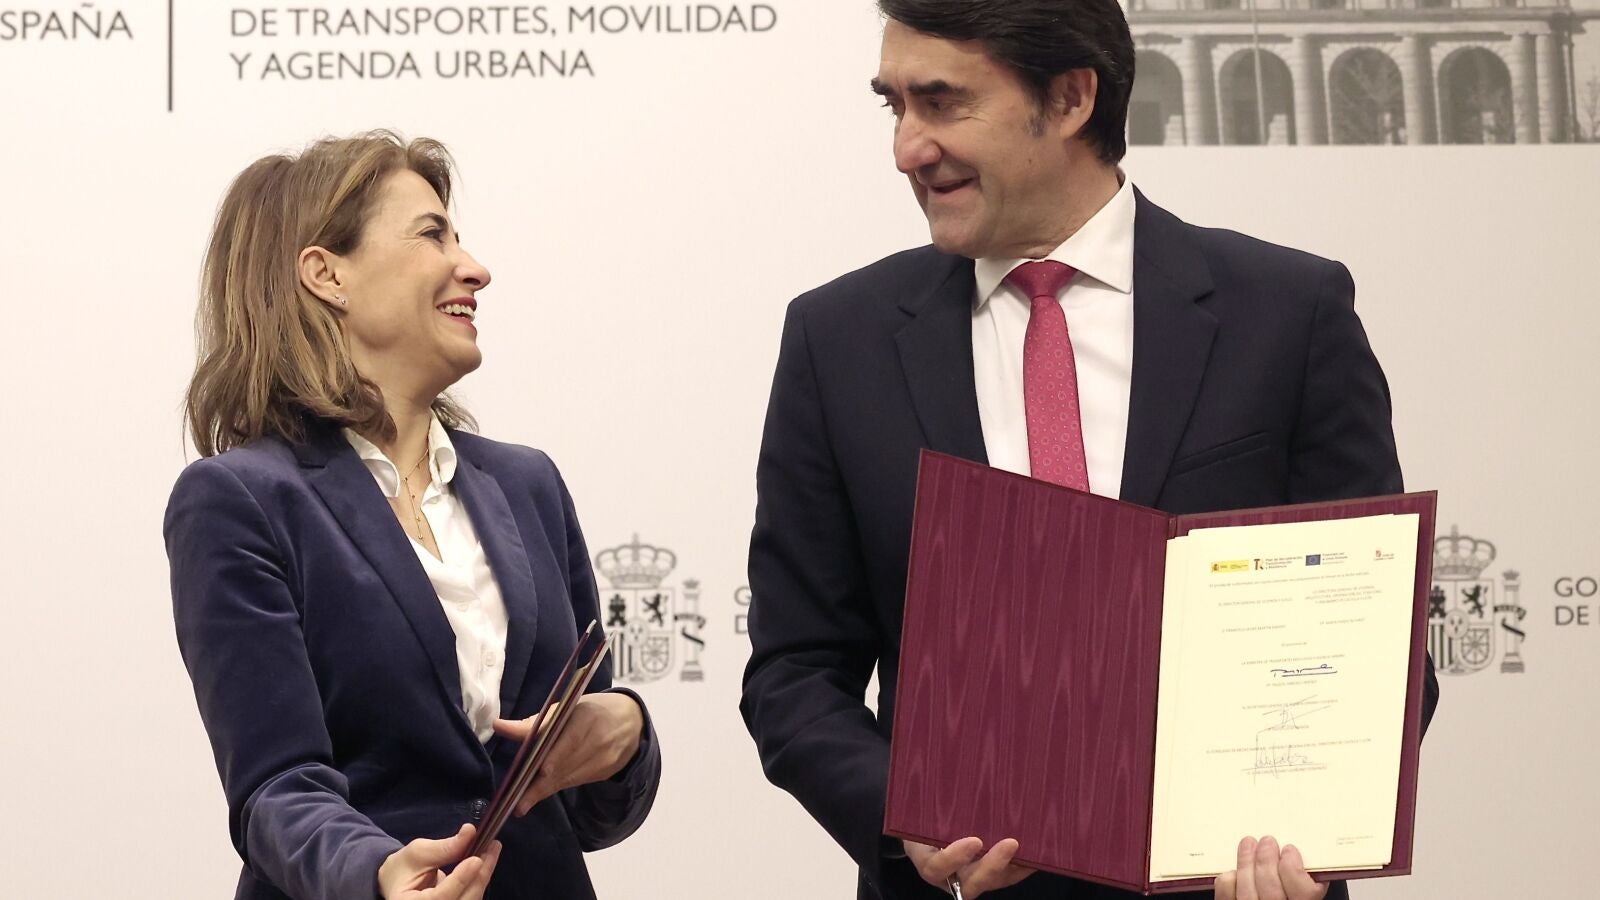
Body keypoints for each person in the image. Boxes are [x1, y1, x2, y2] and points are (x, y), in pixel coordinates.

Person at [738, 3, 1440, 899]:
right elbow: (795, 672)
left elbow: (1378, 642)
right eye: (895, 107)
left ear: (1071, 99)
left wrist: (1302, 827)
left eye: (942, 103)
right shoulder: (839, 340)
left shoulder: (1287, 312)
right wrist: (903, 817)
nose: (908, 148)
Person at [166, 131, 660, 900]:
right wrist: (376, 873)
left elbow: (589, 811)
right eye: (433, 235)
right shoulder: (240, 500)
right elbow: (275, 789)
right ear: (327, 274)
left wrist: (625, 736)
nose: (475, 268)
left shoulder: (529, 483)